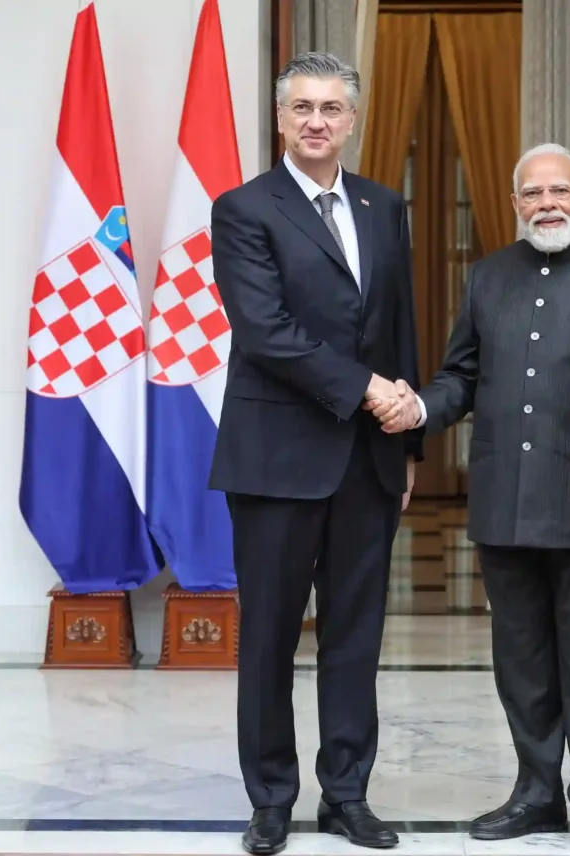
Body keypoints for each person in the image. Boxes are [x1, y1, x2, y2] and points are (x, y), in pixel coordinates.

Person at [368, 143, 570, 852]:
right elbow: (460, 378)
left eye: (559, 191)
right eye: (533, 193)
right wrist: (417, 408)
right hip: (504, 511)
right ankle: (536, 793)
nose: (547, 203)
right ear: (513, 205)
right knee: (523, 664)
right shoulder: (486, 279)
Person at [208, 52, 422, 855]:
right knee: (266, 636)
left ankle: (346, 795)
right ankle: (271, 799)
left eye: (332, 108)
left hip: (368, 462)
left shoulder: (383, 206)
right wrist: (369, 387)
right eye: (302, 107)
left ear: (353, 120)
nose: (317, 121)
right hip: (275, 459)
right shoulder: (243, 209)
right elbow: (265, 332)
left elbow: (398, 324)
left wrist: (411, 445)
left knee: (356, 639)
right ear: (280, 118)